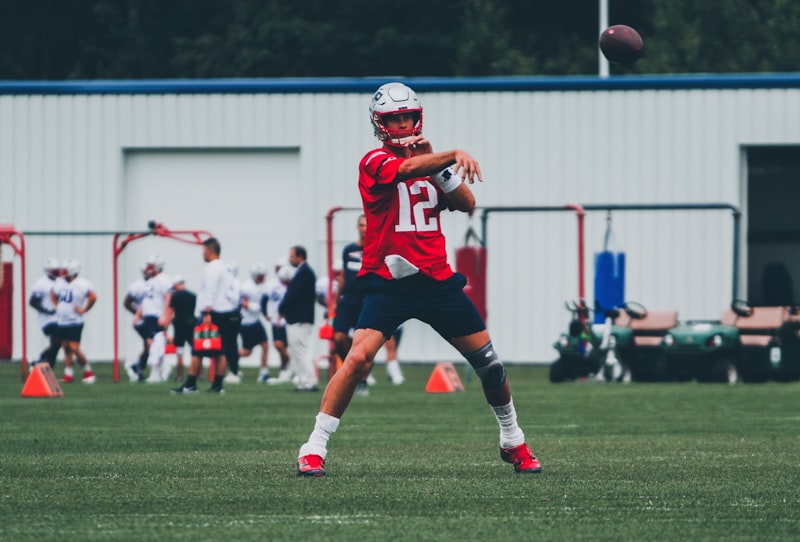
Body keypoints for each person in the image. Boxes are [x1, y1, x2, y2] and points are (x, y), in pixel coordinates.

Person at [296, 82, 541, 476]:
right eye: (394, 118)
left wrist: (443, 168)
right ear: (380, 124)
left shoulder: (431, 163)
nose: (402, 123)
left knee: (491, 367)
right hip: (389, 281)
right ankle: (314, 446)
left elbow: (467, 203)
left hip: (436, 280)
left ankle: (513, 440)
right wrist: (452, 153)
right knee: (357, 358)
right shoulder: (374, 160)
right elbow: (406, 169)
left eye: (407, 116)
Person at [333, 214, 404, 393]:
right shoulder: (348, 250)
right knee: (339, 338)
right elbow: (342, 277)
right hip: (348, 301)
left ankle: (362, 379)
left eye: (368, 225)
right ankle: (352, 370)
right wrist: (334, 301)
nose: (365, 229)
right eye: (362, 225)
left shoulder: (379, 248)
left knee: (366, 346)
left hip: (368, 301)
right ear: (357, 227)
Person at [172, 237, 237, 394]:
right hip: (227, 312)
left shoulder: (212, 268)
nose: (203, 254)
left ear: (209, 251)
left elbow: (210, 290)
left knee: (198, 350)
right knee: (221, 350)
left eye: (203, 251)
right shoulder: (226, 267)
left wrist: (207, 312)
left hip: (212, 312)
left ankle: (191, 384)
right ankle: (217, 385)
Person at [51, 258, 97, 384]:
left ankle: (88, 371)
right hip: (62, 321)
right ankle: (68, 374)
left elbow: (93, 297)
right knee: (65, 347)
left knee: (74, 347)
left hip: (74, 320)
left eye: (66, 270)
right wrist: (57, 306)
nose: (63, 273)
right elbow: (53, 294)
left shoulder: (82, 284)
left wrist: (84, 309)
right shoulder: (60, 282)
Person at [279, 245, 318, 392]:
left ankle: (309, 381)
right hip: (299, 318)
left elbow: (293, 295)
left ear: (300, 256)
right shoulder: (304, 272)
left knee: (300, 350)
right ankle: (304, 381)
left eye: (292, 256)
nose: (290, 259)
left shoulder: (304, 273)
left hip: (299, 319)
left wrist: (282, 308)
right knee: (297, 351)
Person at [135, 255, 173, 383]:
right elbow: (146, 299)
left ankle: (156, 372)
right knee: (152, 344)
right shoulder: (150, 281)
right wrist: (139, 313)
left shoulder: (164, 280)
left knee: (156, 344)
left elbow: (169, 298)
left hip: (157, 315)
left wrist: (166, 316)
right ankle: (163, 368)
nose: (148, 269)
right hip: (148, 316)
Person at [238, 263, 270, 383]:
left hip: (256, 321)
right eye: (261, 276)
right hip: (247, 322)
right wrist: (257, 307)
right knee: (247, 352)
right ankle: (229, 360)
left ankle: (264, 372)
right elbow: (244, 303)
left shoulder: (258, 286)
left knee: (265, 345)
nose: (263, 278)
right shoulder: (247, 286)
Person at [29, 258, 62, 368]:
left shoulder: (60, 282)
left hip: (59, 317)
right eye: (55, 271)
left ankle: (47, 365)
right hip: (47, 319)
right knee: (57, 341)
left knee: (57, 344)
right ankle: (39, 358)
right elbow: (32, 302)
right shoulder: (41, 284)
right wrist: (46, 310)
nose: (57, 273)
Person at [265, 262, 294, 385]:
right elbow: (264, 300)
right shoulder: (272, 285)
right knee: (278, 345)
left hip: (287, 320)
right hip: (276, 319)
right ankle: (288, 368)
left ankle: (290, 368)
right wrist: (266, 314)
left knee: (283, 346)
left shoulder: (293, 286)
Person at [123, 264, 149, 382]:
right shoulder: (137, 286)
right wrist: (138, 313)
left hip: (152, 319)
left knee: (150, 345)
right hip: (142, 321)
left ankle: (137, 367)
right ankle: (138, 367)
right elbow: (127, 302)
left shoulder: (157, 282)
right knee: (150, 344)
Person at [167, 276, 197, 380]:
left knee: (180, 352)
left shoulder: (175, 296)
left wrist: (166, 325)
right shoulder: (193, 296)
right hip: (192, 324)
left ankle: (180, 376)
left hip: (179, 326)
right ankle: (200, 375)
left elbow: (170, 311)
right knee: (196, 351)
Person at [222, 262, 243, 383]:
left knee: (230, 345)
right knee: (231, 344)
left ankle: (233, 371)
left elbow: (233, 300)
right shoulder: (236, 283)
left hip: (231, 315)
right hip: (234, 315)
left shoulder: (232, 284)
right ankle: (233, 370)